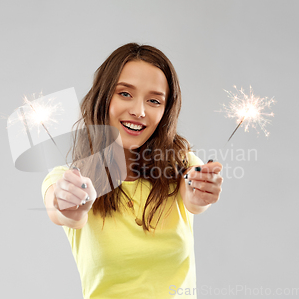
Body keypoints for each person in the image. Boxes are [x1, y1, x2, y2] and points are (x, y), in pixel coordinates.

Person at [41, 43, 223, 299]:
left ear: (165, 110)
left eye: (154, 101)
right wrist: (70, 203)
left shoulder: (181, 164)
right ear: (103, 98)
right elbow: (64, 210)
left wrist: (202, 192)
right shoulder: (68, 179)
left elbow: (194, 197)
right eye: (125, 94)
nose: (139, 111)